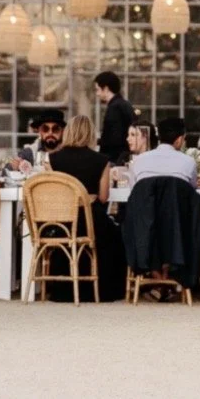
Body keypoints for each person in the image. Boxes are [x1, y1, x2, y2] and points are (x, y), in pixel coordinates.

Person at [48, 114, 126, 301]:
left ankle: (61, 288)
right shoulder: (102, 160)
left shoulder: (52, 160)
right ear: (90, 134)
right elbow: (104, 197)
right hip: (92, 219)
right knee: (117, 236)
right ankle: (102, 289)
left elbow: (53, 194)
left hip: (64, 223)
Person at [128, 117, 198, 188]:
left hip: (145, 199)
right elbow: (192, 189)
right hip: (175, 199)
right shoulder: (189, 162)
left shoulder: (139, 160)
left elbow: (133, 190)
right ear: (179, 139)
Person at [94, 71, 134, 162]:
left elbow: (114, 138)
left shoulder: (114, 108)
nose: (97, 94)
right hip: (124, 156)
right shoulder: (124, 104)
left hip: (115, 159)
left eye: (97, 89)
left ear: (106, 88)